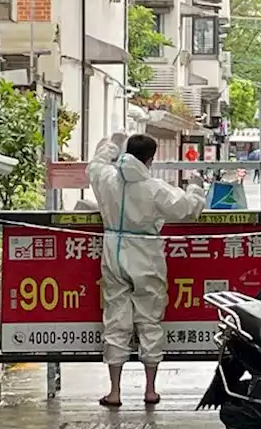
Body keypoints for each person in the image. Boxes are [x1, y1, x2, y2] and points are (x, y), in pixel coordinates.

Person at [87, 132, 207, 408]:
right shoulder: (154, 188)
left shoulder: (106, 179)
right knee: (149, 321)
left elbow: (95, 164)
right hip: (146, 255)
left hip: (113, 250)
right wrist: (196, 187)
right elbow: (188, 209)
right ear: (151, 159)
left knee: (116, 320)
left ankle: (115, 392)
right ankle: (150, 390)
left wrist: (111, 144)